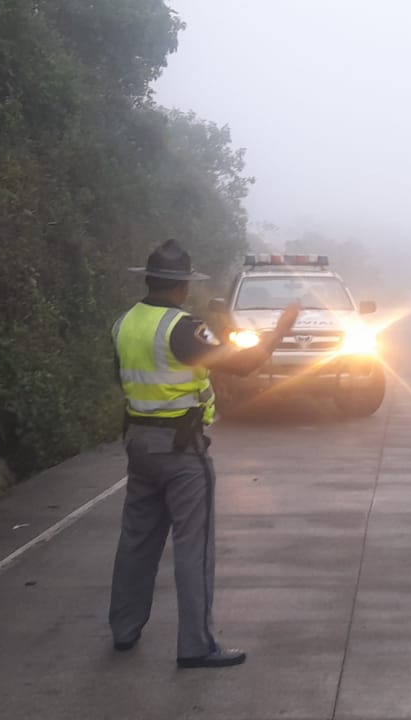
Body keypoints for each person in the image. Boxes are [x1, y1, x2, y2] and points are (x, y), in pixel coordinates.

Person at [108, 238, 300, 669]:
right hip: (181, 450)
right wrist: (281, 329)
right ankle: (196, 645)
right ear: (181, 287)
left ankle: (124, 629)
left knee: (136, 541)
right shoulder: (182, 328)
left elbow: (121, 377)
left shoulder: (124, 323)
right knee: (193, 547)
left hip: (139, 443)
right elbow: (244, 364)